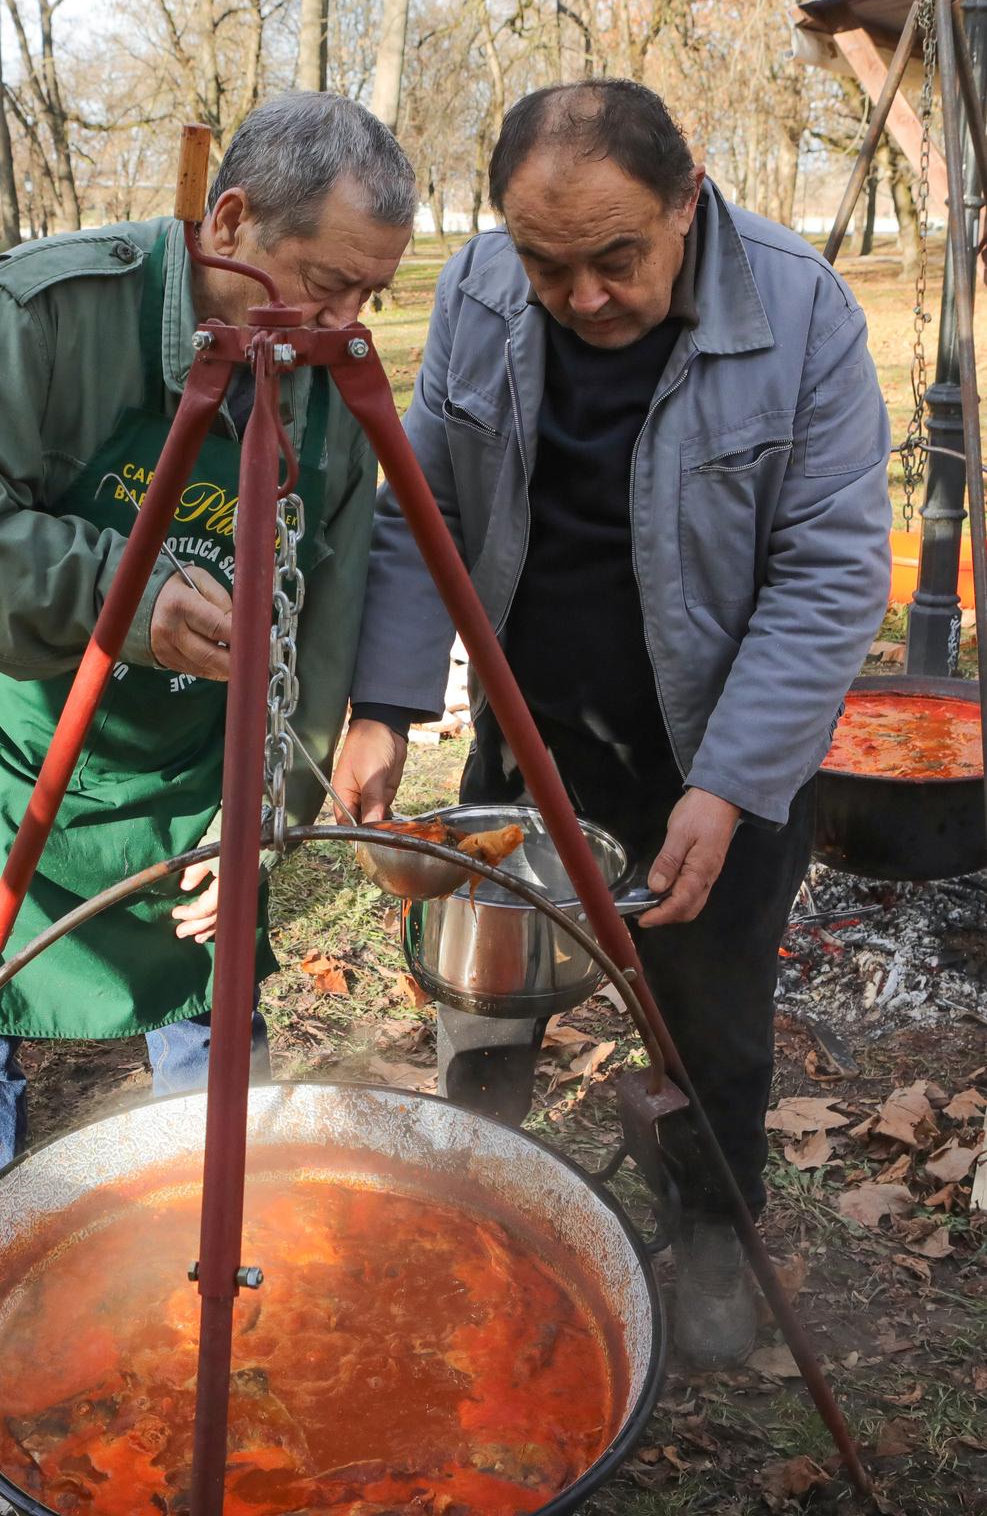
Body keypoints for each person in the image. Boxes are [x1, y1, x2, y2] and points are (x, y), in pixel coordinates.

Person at [334, 80, 892, 1369]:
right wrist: (383, 708)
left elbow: (828, 571)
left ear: (687, 200)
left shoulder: (800, 314)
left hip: (713, 754)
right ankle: (484, 1224)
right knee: (482, 1004)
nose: (579, 296)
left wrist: (736, 781)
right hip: (528, 740)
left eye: (614, 259)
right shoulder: (481, 296)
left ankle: (706, 1236)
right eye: (545, 260)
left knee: (710, 1029)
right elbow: (421, 512)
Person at [0, 92, 416, 1243]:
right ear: (231, 220)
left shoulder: (324, 382)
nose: (337, 323)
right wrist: (120, 596)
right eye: (320, 281)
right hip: (1, 752)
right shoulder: (46, 313)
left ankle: (204, 1246)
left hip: (191, 764)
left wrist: (262, 808)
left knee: (209, 998)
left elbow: (324, 625)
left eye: (366, 296)